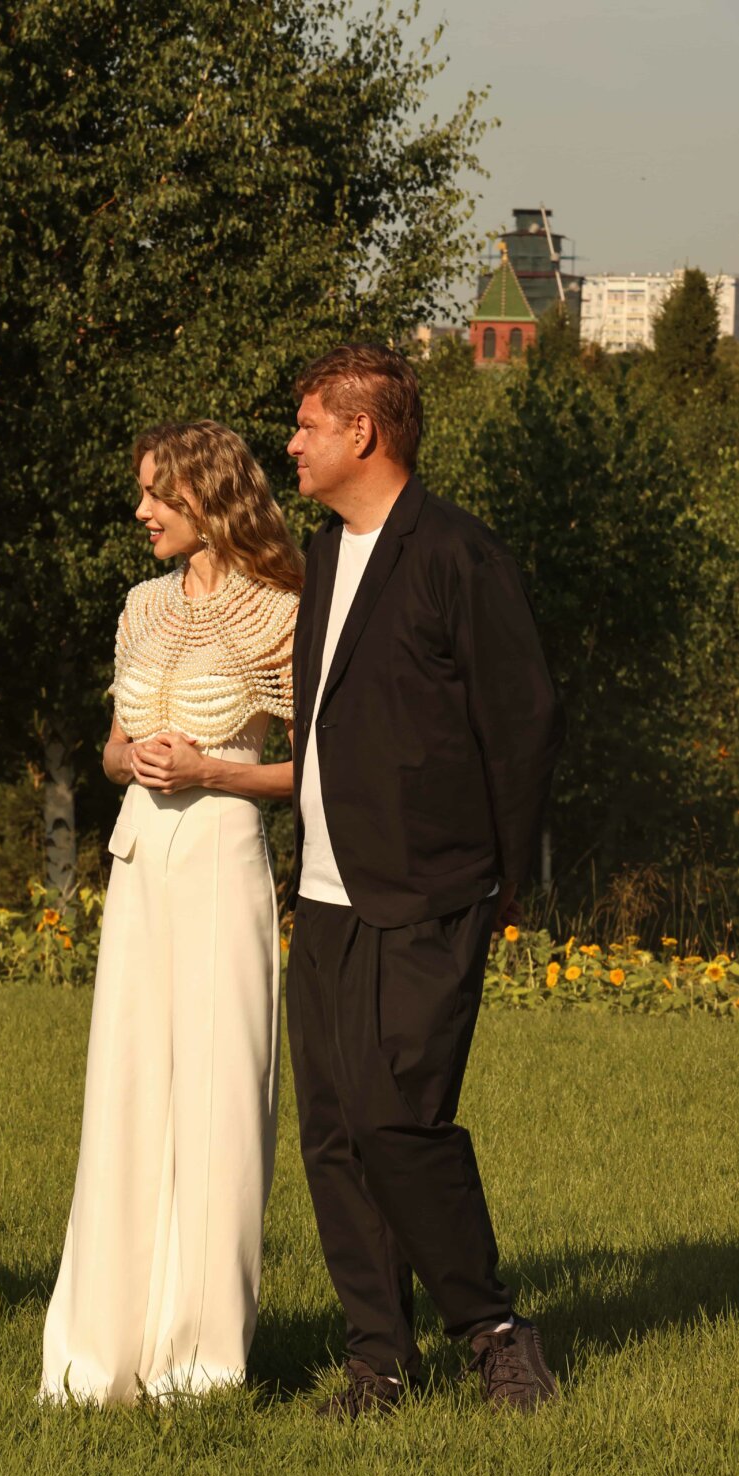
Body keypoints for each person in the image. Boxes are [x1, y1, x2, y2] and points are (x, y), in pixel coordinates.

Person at [284, 344, 565, 1416]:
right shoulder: (324, 553)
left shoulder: (456, 553)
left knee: (398, 1118)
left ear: (362, 432)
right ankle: (377, 1362)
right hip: (324, 891)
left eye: (308, 424)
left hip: (430, 889)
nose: (293, 443)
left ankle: (494, 1332)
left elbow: (523, 721)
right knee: (335, 1132)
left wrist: (499, 875)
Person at [40, 422, 302, 1404]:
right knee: (127, 1088)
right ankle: (100, 1354)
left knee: (217, 1100)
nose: (142, 510)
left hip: (222, 858)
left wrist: (211, 771)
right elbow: (113, 747)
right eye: (143, 491)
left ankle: (200, 1362)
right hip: (139, 858)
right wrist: (135, 759)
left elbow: (320, 767)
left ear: (210, 496)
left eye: (159, 493)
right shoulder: (142, 606)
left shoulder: (283, 610)